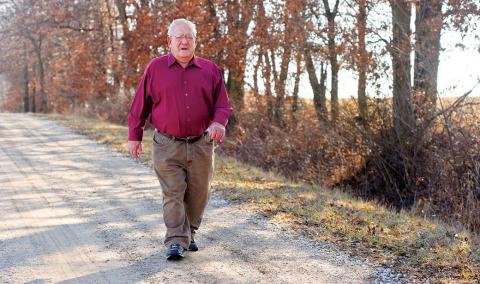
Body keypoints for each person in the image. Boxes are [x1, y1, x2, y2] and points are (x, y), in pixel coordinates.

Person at [127, 18, 233, 260]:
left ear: (195, 41)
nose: (184, 41)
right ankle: (175, 239)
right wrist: (135, 135)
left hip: (201, 144)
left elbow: (223, 105)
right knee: (173, 192)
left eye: (189, 37)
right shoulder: (155, 68)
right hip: (166, 144)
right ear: (169, 41)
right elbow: (139, 105)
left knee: (198, 194)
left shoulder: (210, 70)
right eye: (179, 37)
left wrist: (218, 122)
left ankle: (189, 234)